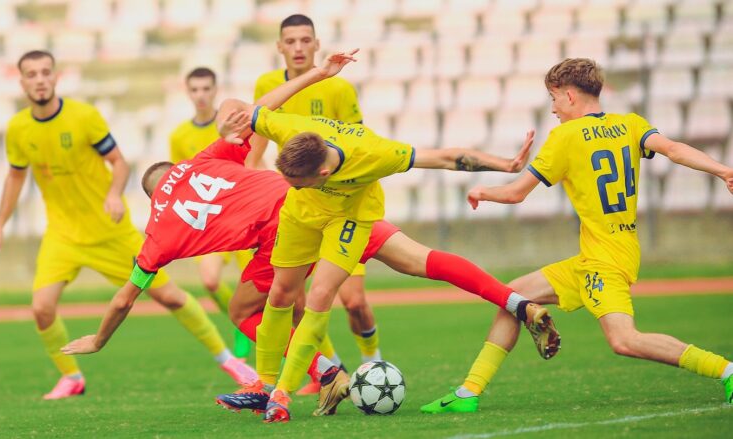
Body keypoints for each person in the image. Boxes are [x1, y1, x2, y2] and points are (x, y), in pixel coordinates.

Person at [62, 52, 558, 419]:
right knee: (413, 259)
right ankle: (516, 303)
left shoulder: (158, 231)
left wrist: (99, 340)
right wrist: (319, 72)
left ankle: (301, 380)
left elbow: (127, 297)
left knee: (264, 307)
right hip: (325, 207)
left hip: (292, 220)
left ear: (152, 197)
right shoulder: (206, 159)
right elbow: (256, 112)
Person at [214, 54, 560, 424]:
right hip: (301, 218)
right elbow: (239, 108)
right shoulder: (294, 129)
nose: (289, 185)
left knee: (321, 296)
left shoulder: (374, 153)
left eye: (297, 181)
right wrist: (227, 125)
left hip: (350, 221)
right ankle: (267, 385)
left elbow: (445, 157)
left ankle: (282, 393)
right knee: (282, 294)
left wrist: (505, 166)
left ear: (326, 171)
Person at [421, 58, 733, 414]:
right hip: (610, 251)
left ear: (569, 95)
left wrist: (481, 191)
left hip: (605, 260)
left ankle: (726, 370)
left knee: (625, 340)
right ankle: (468, 394)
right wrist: (723, 170)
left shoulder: (565, 137)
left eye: (553, 98)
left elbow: (516, 194)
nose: (552, 108)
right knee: (513, 299)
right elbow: (674, 149)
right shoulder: (630, 124)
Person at [0, 50, 256, 400]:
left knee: (171, 297)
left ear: (55, 77)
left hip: (111, 232)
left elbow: (120, 163)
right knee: (41, 308)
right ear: (21, 82)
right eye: (32, 74)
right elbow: (15, 176)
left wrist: (114, 194)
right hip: (63, 235)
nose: (39, 79)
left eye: (45, 72)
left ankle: (230, 361)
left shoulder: (84, 117)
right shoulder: (18, 128)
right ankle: (71, 378)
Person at [250, 14, 378, 388]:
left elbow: (360, 144)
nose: (298, 48)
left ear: (317, 44)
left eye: (305, 40)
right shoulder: (267, 85)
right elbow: (255, 148)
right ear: (279, 47)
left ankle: (374, 366)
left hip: (343, 207)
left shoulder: (338, 90)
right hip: (299, 209)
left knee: (353, 301)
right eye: (290, 41)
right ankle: (333, 371)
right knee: (297, 301)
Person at [170, 66, 253, 358]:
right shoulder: (180, 135)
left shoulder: (233, 122)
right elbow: (181, 180)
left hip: (243, 216)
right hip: (210, 220)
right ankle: (240, 323)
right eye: (195, 89)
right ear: (188, 92)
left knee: (259, 287)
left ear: (216, 90)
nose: (201, 95)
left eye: (206, 88)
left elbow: (255, 161)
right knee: (209, 280)